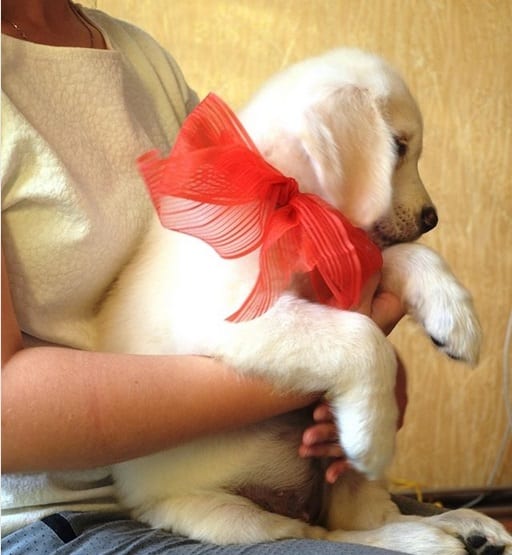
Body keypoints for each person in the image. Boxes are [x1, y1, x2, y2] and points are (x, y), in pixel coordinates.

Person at [1, 1, 408, 553]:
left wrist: (364, 385)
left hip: (235, 475)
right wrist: (334, 366)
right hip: (53, 521)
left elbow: (254, 271)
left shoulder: (141, 58)